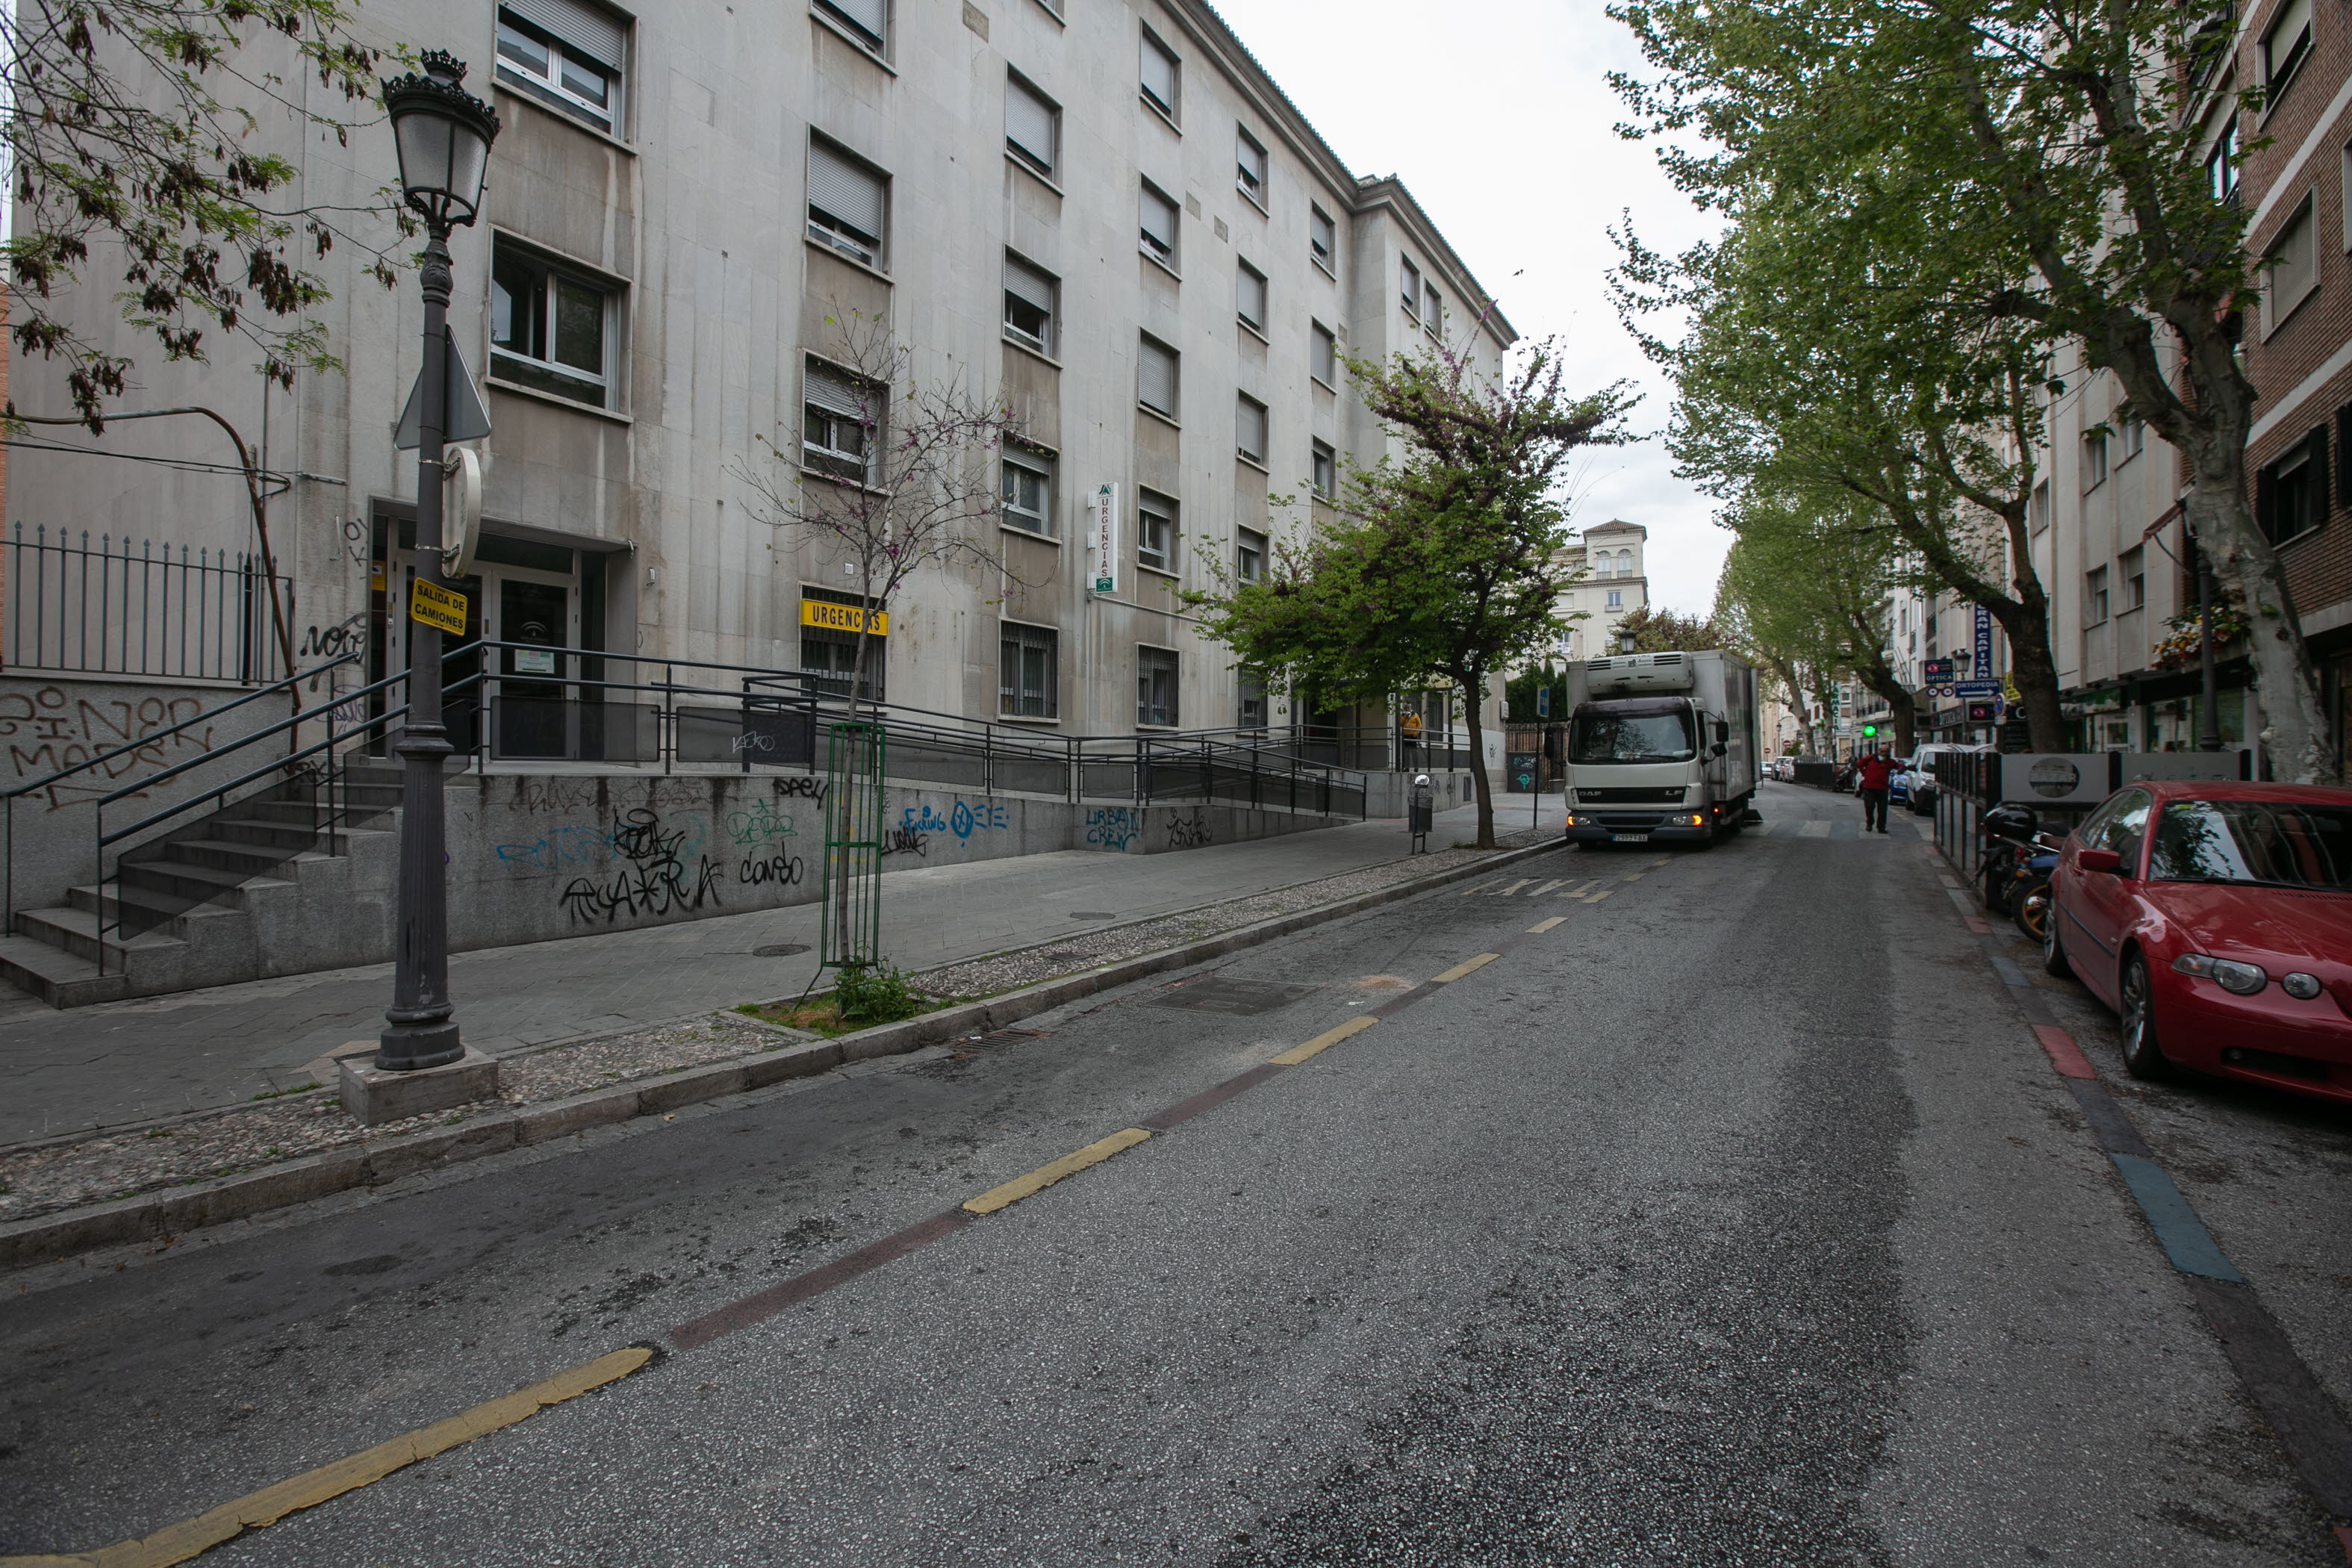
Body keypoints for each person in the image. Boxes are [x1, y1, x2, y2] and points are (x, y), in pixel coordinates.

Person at [1855, 746, 1894, 833]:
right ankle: (1870, 822)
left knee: (1883, 809)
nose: (1884, 753)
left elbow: (1898, 766)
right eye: (1882, 751)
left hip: (1882, 788)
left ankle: (1881, 827)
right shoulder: (1870, 759)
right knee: (1869, 807)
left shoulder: (1889, 762)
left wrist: (1904, 768)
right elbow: (1859, 764)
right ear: (1878, 751)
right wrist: (1865, 773)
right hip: (1870, 787)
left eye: (1886, 752)